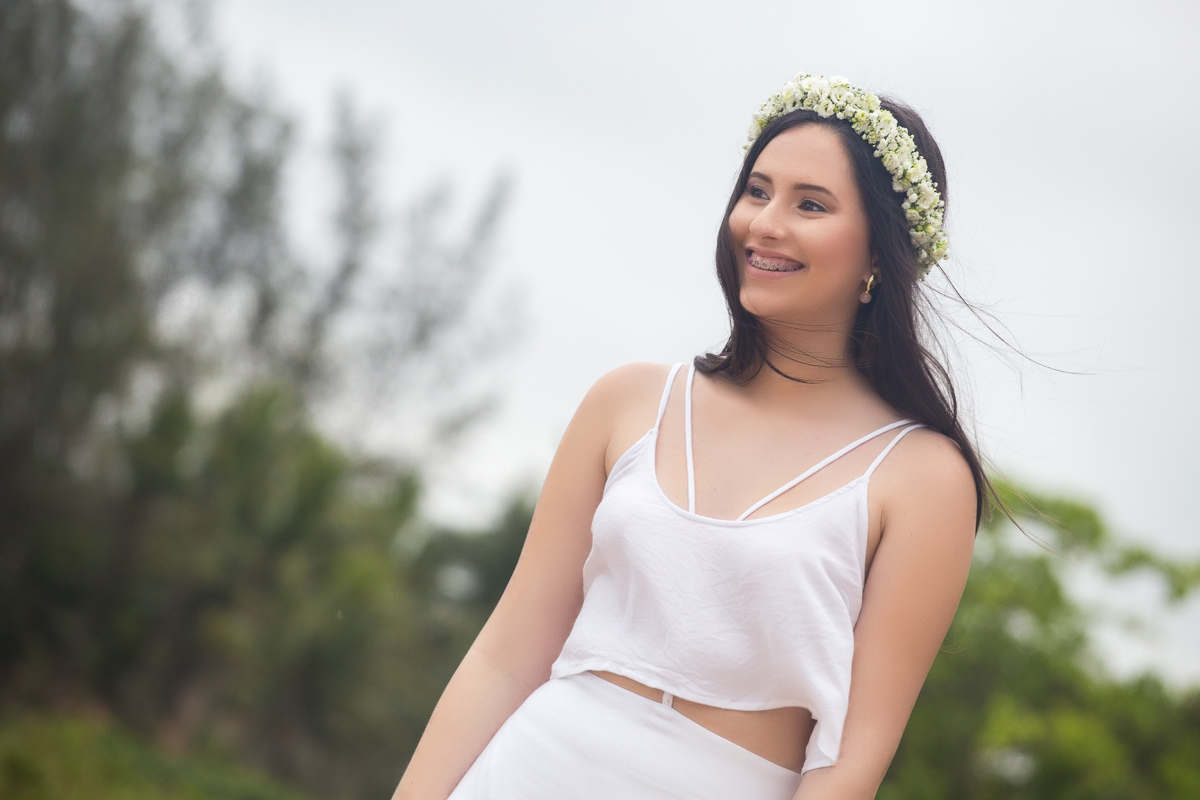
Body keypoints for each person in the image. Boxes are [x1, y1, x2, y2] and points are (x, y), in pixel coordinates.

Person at [394, 74, 982, 800]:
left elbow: (850, 762)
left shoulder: (922, 476)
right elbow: (506, 657)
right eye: (757, 191)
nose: (764, 223)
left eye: (811, 204)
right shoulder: (631, 401)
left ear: (877, 257)